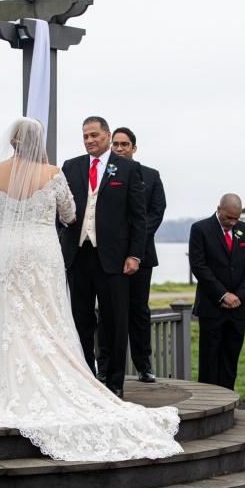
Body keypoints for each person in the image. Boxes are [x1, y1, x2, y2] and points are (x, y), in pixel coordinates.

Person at [0, 117, 181, 462]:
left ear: (12, 142)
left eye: (93, 134)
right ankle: (69, 378)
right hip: (44, 253)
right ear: (37, 140)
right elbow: (70, 213)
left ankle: (8, 388)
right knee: (51, 318)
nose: (88, 139)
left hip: (10, 253)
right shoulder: (54, 172)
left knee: (11, 317)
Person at [59, 116, 147, 399]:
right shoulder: (70, 167)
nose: (89, 140)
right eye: (85, 136)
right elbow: (60, 209)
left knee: (115, 321)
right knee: (80, 319)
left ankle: (115, 382)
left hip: (114, 257)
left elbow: (138, 217)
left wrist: (135, 255)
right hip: (78, 254)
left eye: (94, 135)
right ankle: (86, 377)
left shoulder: (128, 169)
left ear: (107, 136)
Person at [97, 127, 166, 383]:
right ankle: (103, 366)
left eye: (124, 144)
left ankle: (143, 366)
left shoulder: (151, 175)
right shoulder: (103, 173)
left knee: (139, 311)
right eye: (115, 144)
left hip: (141, 255)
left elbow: (156, 213)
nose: (119, 148)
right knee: (106, 313)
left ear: (134, 148)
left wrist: (134, 246)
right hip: (109, 255)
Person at [188, 194, 245, 390]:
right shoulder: (200, 229)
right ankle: (209, 406)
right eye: (229, 218)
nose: (233, 222)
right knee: (209, 362)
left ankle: (228, 405)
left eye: (236, 218)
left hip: (237, 309)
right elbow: (199, 266)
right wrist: (222, 294)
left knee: (230, 361)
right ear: (218, 209)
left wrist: (239, 296)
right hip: (212, 307)